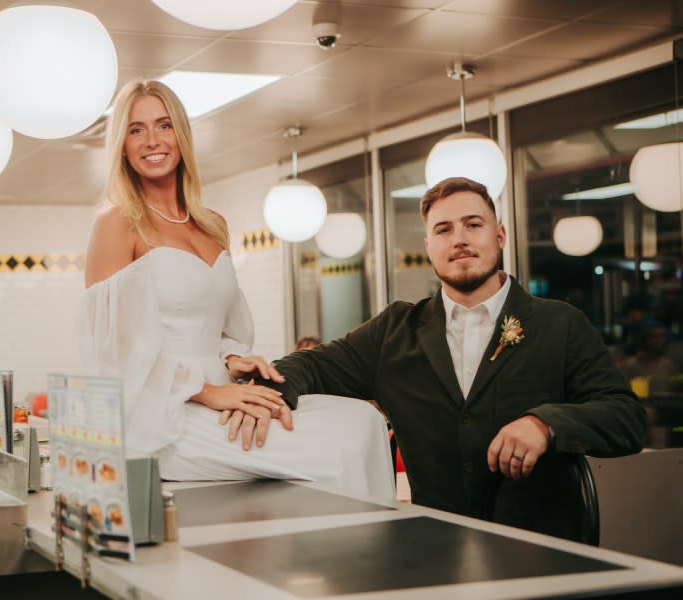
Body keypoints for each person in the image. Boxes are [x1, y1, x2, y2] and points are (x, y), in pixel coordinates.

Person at [241, 177, 646, 540]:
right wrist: (253, 392)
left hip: (544, 554)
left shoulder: (560, 324)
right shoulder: (394, 332)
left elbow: (625, 418)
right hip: (436, 552)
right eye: (443, 229)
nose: (460, 239)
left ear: (500, 235)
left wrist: (546, 424)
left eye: (473, 224)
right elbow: (309, 366)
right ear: (428, 246)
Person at [78, 79, 393, 499]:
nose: (152, 140)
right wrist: (208, 393)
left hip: (225, 391)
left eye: (164, 125)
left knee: (360, 421)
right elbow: (111, 350)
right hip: (160, 416)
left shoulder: (213, 224)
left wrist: (233, 360)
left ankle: (376, 545)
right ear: (121, 145)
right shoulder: (116, 222)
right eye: (136, 130)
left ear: (181, 136)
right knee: (328, 448)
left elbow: (220, 326)